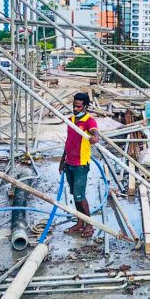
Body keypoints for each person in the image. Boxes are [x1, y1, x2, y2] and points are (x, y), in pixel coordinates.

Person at [59, 92, 100, 237]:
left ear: (85, 107)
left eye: (78, 106)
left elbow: (95, 135)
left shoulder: (89, 121)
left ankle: (89, 225)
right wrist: (62, 161)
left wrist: (94, 138)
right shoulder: (71, 120)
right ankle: (80, 222)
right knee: (74, 194)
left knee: (80, 196)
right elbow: (68, 142)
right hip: (69, 162)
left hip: (80, 165)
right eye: (74, 106)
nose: (75, 109)